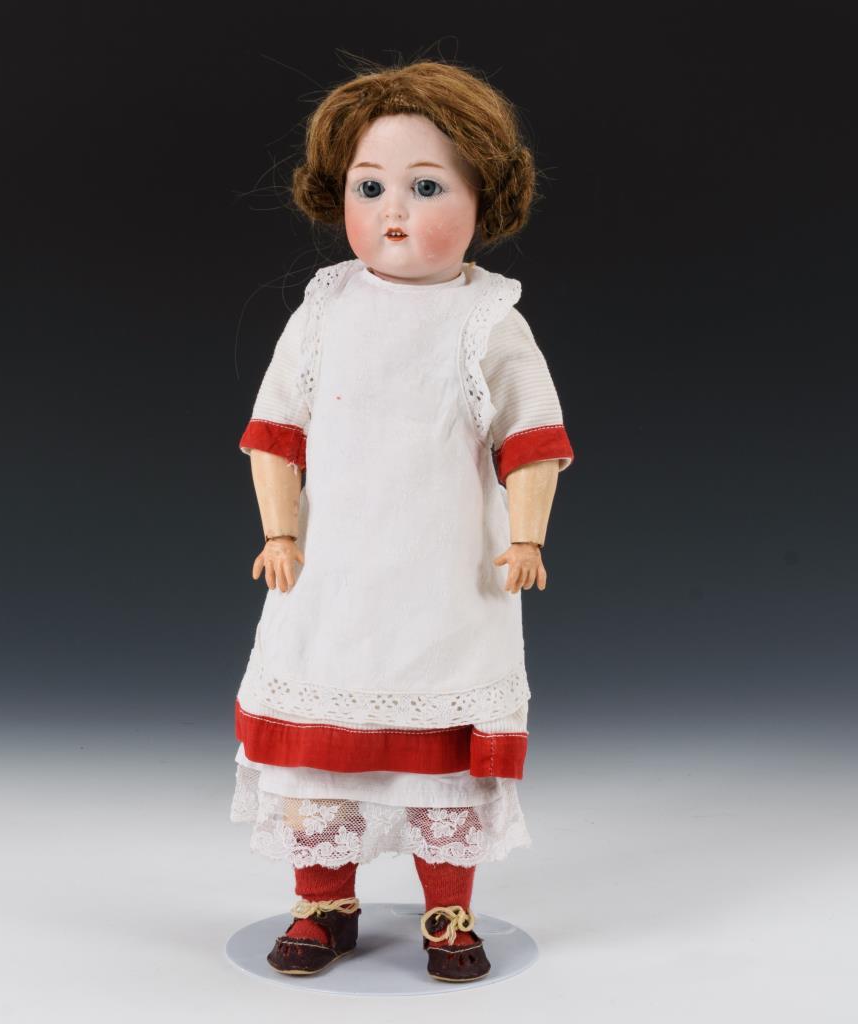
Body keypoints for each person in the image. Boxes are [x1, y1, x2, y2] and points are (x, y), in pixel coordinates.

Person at [230, 58, 575, 983]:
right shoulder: (324, 310)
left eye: (426, 188)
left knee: (445, 759)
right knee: (319, 745)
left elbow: (532, 440)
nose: (393, 212)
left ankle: (449, 910)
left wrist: (527, 536)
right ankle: (322, 900)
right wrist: (280, 533)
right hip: (335, 576)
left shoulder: (487, 321)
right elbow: (275, 433)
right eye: (369, 187)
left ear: (484, 197)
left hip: (448, 578)